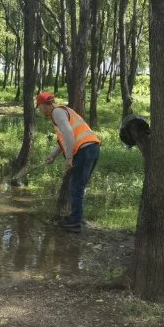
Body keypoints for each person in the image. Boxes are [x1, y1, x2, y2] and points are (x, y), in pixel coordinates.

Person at [35, 91, 101, 233]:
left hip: (85, 150)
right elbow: (65, 137)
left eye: (39, 107)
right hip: (91, 148)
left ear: (44, 105)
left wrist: (69, 157)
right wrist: (52, 155)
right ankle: (74, 218)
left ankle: (75, 222)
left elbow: (69, 134)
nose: (39, 110)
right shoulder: (61, 112)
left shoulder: (57, 112)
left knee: (76, 186)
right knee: (77, 186)